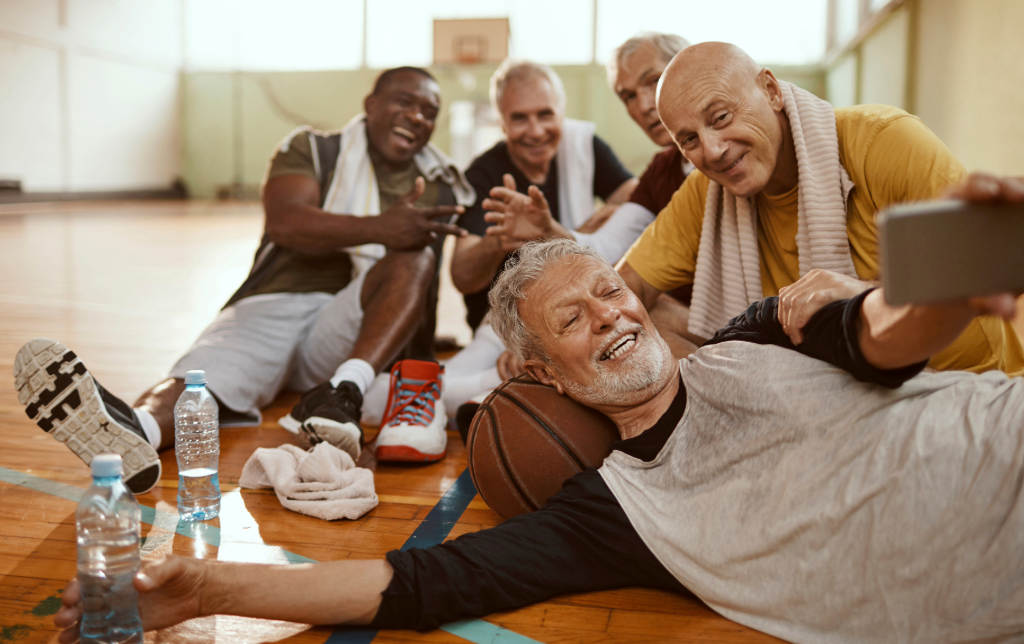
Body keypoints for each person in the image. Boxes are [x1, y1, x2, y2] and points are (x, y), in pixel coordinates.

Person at [54, 176, 1024, 643]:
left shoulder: (759, 333)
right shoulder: (614, 514)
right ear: (537, 373)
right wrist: (208, 590)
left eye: (609, 291)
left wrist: (954, 277)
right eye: (574, 315)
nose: (609, 312)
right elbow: (414, 584)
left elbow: (886, 334)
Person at [14, 67, 475, 493]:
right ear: (370, 103)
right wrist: (381, 226)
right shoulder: (313, 148)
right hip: (274, 302)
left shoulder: (441, 182)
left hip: (351, 331)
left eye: (429, 112)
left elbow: (417, 285)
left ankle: (342, 393)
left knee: (413, 260)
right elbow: (287, 222)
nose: (416, 116)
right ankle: (135, 431)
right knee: (198, 380)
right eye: (404, 101)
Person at [617, 41, 1024, 376]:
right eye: (688, 140)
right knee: (651, 313)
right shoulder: (704, 192)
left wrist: (863, 301)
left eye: (721, 117)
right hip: (833, 402)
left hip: (966, 381)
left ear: (771, 91)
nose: (713, 150)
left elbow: (986, 270)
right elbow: (619, 289)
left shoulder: (884, 141)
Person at [482, 32, 701, 359]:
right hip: (682, 320)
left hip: (728, 320)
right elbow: (608, 247)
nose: (643, 105)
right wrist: (549, 231)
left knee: (638, 312)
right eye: (627, 96)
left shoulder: (729, 156)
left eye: (653, 81)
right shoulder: (660, 170)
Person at [443, 59, 637, 415]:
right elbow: (461, 275)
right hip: (503, 326)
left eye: (545, 115)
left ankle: (495, 396)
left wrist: (575, 230)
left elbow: (641, 206)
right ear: (501, 121)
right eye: (519, 118)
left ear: (562, 113)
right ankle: (493, 390)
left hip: (577, 313)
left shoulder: (583, 147)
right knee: (442, 385)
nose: (535, 130)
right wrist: (499, 241)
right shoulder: (484, 173)